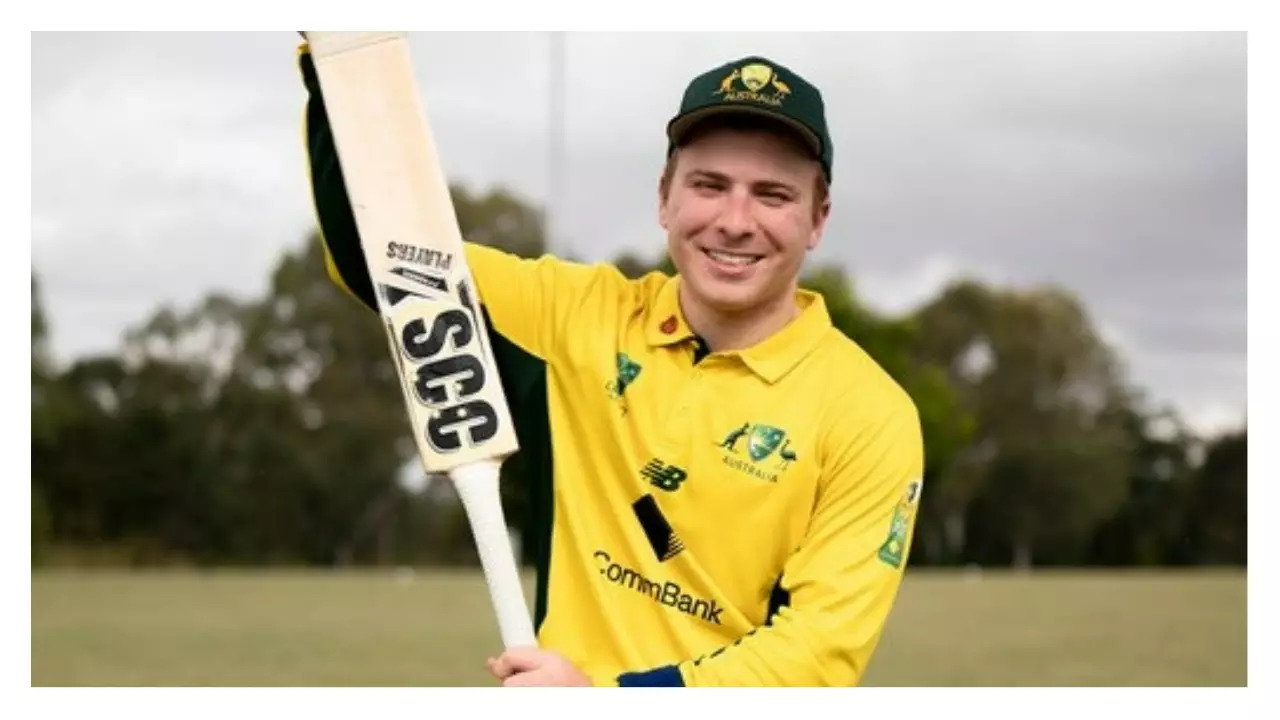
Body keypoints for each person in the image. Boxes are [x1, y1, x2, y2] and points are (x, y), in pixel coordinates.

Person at [296, 41, 925, 687]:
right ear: (665, 198)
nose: (736, 221)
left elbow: (816, 656)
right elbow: (381, 255)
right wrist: (340, 55)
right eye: (710, 186)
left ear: (817, 218)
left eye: (772, 195)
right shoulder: (573, 315)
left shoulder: (871, 416)